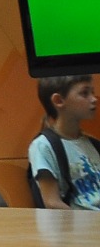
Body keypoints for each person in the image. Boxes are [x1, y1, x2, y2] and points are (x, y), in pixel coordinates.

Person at [30, 75, 99, 210]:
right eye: (85, 93)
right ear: (59, 100)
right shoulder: (43, 146)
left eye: (93, 92)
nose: (94, 99)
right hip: (81, 227)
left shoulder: (93, 144)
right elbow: (52, 202)